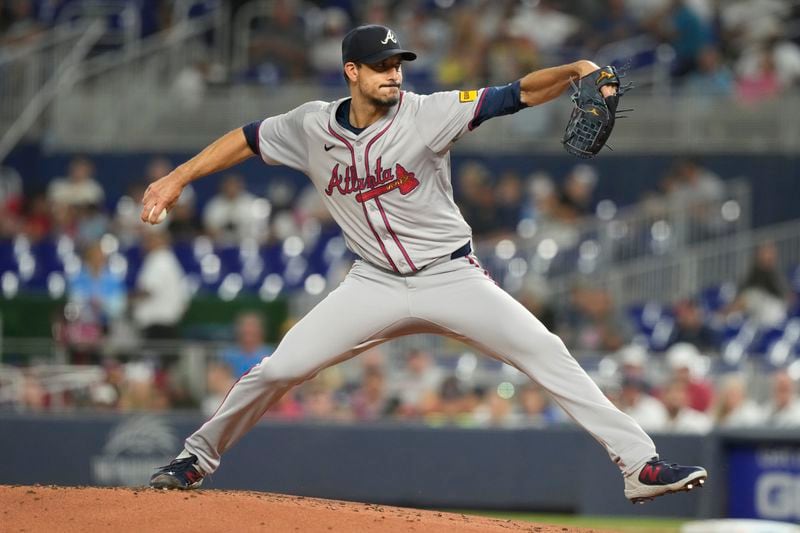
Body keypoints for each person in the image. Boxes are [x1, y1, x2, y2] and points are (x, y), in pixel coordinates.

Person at [144, 24, 706, 503]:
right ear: (351, 72)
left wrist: (576, 69)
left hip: (450, 275)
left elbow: (515, 94)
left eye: (398, 64)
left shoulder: (430, 112)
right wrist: (176, 178)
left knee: (546, 351)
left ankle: (640, 466)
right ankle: (196, 458)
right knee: (280, 368)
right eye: (380, 65)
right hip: (372, 284)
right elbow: (245, 139)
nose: (394, 73)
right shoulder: (311, 125)